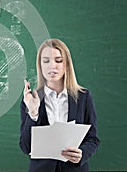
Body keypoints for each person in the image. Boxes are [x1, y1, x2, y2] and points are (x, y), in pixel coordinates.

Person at [19, 38, 99, 172]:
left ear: (66, 64)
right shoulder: (31, 99)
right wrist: (33, 113)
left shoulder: (83, 97)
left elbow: (93, 139)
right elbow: (26, 147)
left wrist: (82, 154)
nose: (52, 66)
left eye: (58, 60)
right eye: (46, 61)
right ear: (40, 66)